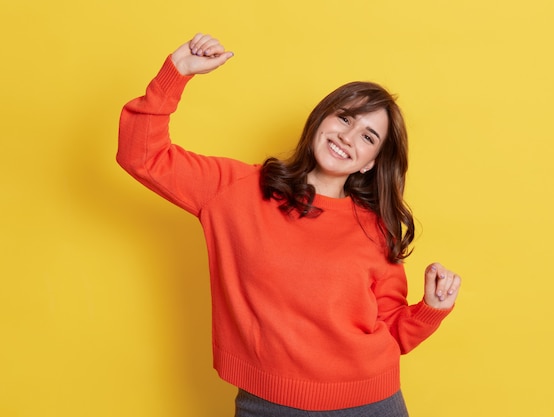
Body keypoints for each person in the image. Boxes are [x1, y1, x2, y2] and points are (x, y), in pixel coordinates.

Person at [117, 33, 461, 417]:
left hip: (371, 404)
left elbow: (393, 330)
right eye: (344, 117)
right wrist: (175, 74)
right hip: (267, 405)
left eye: (367, 137)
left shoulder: (375, 228)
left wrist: (431, 308)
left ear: (370, 163)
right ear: (321, 119)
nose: (348, 137)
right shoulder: (235, 189)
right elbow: (141, 156)